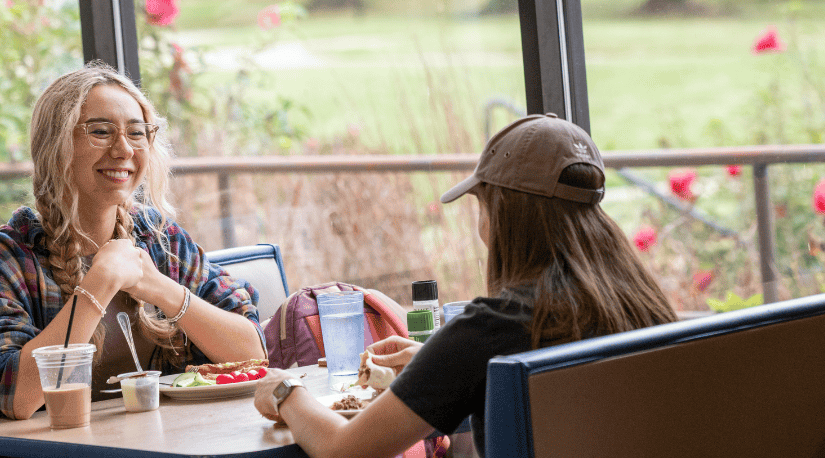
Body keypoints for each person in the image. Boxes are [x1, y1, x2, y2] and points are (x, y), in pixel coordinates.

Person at [254, 113, 678, 458]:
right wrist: (435, 362)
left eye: (481, 205)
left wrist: (287, 391)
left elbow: (344, 450)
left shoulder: (492, 328)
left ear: (503, 213)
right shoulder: (640, 307)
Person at [0, 61, 266, 421]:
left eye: (136, 133)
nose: (124, 150)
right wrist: (100, 284)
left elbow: (252, 351)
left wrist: (158, 287)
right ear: (55, 145)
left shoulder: (159, 239)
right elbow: (16, 395)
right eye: (100, 131)